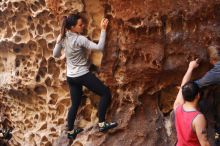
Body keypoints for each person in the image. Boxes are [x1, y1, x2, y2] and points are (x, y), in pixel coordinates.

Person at [53, 13, 117, 139]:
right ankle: (102, 123)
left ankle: (71, 132)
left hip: (71, 77)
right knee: (105, 93)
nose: (83, 26)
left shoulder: (62, 37)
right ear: (72, 27)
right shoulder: (79, 39)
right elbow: (99, 47)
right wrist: (103, 30)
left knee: (75, 104)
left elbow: (55, 54)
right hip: (82, 75)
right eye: (80, 25)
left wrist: (64, 55)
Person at [173, 59, 210, 146]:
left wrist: (190, 68)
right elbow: (204, 143)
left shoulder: (177, 107)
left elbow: (183, 85)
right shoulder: (198, 118)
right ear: (198, 96)